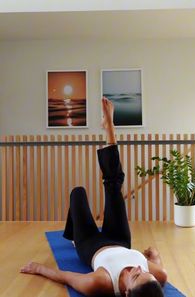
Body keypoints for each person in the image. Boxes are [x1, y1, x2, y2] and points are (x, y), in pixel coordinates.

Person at [21, 97, 167, 297]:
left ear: (126, 293)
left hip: (90, 244)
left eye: (135, 276)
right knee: (114, 185)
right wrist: (155, 256)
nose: (139, 269)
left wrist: (38, 268)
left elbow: (67, 277)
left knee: (78, 193)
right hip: (120, 239)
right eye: (144, 272)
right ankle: (109, 127)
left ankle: (72, 236)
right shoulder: (156, 276)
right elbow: (159, 269)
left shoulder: (100, 283)